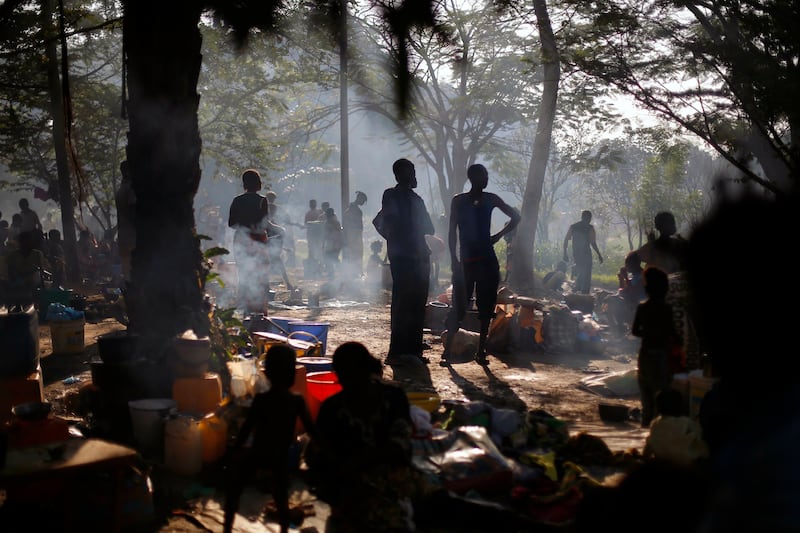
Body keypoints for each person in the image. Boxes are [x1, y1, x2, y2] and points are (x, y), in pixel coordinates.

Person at [306, 341, 417, 531]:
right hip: (352, 491)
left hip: (384, 488)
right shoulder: (334, 407)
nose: (343, 381)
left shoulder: (392, 398)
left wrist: (357, 463)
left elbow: (401, 446)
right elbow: (316, 452)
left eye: (346, 375)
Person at [223, 344, 314, 533]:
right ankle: (283, 529)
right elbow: (313, 431)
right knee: (281, 499)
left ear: (268, 373)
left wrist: (234, 454)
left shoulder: (261, 400)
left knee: (234, 489)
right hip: (280, 458)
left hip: (257, 453)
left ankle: (227, 527)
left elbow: (245, 431)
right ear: (291, 373)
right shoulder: (297, 401)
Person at [441, 163, 520, 366]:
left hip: (479, 260)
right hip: (474, 260)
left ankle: (478, 352)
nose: (486, 179)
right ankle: (452, 352)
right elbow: (451, 232)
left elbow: (516, 216)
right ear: (474, 178)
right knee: (460, 306)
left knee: (484, 307)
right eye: (483, 176)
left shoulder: (475, 200)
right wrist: (454, 260)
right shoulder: (465, 201)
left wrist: (497, 236)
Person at [375, 158, 436, 364]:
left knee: (416, 301)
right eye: (410, 172)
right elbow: (393, 221)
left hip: (416, 256)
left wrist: (395, 238)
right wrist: (399, 238)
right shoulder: (395, 196)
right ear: (400, 175)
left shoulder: (412, 198)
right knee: (405, 302)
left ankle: (413, 348)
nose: (413, 175)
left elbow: (429, 228)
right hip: (406, 256)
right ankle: (399, 351)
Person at [631, 266, 679, 427]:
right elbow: (673, 333)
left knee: (646, 395)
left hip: (645, 354)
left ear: (646, 289)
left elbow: (635, 331)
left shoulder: (642, 307)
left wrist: (649, 333)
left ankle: (645, 428)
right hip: (661, 355)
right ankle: (659, 429)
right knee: (661, 394)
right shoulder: (667, 309)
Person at [227, 169, 270, 313]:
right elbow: (264, 224)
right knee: (260, 275)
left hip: (241, 240)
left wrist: (245, 225)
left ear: (244, 184)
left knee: (244, 273)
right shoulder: (262, 201)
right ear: (258, 183)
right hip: (258, 240)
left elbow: (231, 224)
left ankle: (245, 308)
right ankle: (259, 309)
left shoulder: (237, 200)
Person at [643, 387, 708, 466]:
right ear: (680, 405)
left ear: (658, 408)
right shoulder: (687, 422)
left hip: (663, 466)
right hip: (687, 467)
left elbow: (647, 451)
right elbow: (702, 443)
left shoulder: (655, 424)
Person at [562, 210, 603, 294]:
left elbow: (566, 240)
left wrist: (565, 253)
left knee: (581, 271)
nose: (589, 220)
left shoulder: (573, 227)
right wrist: (599, 254)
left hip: (576, 253)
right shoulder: (590, 228)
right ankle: (583, 291)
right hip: (586, 253)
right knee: (586, 272)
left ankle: (577, 288)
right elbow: (593, 243)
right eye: (589, 218)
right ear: (587, 218)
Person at [115, 160, 136, 283]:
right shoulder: (130, 189)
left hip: (123, 234)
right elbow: (134, 209)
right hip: (132, 235)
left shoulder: (121, 189)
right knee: (133, 266)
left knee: (126, 267)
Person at [266, 201, 294, 291]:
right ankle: (265, 286)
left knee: (278, 265)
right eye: (273, 211)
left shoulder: (271, 220)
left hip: (272, 247)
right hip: (266, 247)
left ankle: (288, 284)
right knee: (266, 266)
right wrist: (281, 230)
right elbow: (271, 229)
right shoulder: (265, 219)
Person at [342, 190, 367, 277]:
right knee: (355, 253)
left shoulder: (351, 209)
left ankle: (355, 271)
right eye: (363, 201)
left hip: (354, 235)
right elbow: (350, 223)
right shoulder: (353, 210)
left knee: (356, 253)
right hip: (353, 235)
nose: (363, 203)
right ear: (359, 199)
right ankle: (354, 272)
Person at [321, 206, 343, 279]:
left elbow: (337, 235)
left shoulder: (334, 223)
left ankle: (340, 272)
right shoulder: (332, 223)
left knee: (332, 259)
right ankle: (334, 273)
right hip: (332, 245)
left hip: (334, 245)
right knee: (331, 259)